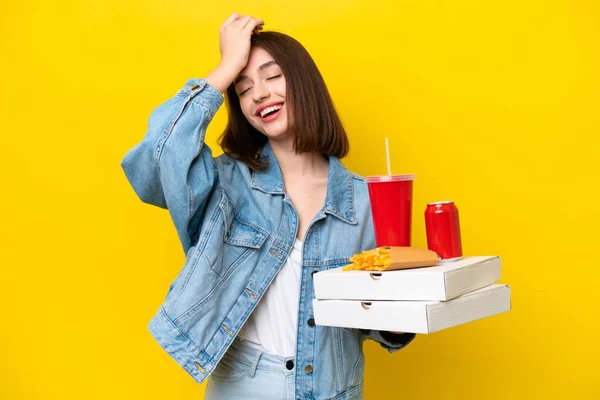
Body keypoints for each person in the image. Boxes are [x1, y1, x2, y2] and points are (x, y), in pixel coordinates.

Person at [121, 13, 415, 400]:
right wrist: (226, 66)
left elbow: (372, 321)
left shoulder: (364, 200)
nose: (258, 94)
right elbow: (155, 162)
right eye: (242, 89)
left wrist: (399, 317)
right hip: (244, 386)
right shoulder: (224, 184)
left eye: (272, 76)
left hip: (334, 389)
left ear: (304, 82)